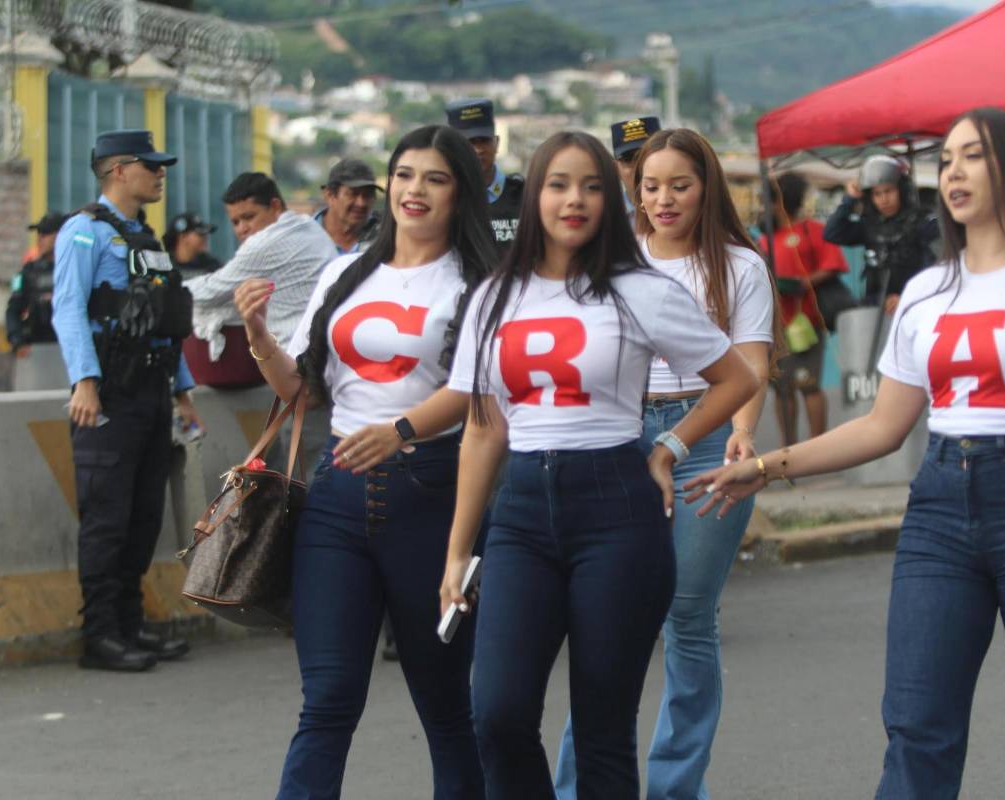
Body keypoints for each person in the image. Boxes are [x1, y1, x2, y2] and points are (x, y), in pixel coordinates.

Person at [690, 107, 1005, 800]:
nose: (955, 170)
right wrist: (766, 467)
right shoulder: (927, 293)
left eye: (975, 155)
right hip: (939, 512)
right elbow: (882, 426)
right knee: (917, 727)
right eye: (950, 158)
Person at [440, 131, 758, 798]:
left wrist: (669, 447)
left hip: (617, 505)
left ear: (609, 200)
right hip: (523, 510)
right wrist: (457, 553)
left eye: (591, 185)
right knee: (497, 713)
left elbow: (735, 378)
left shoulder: (640, 289)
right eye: (558, 184)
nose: (575, 199)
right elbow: (482, 431)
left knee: (602, 728)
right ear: (536, 196)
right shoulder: (494, 296)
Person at [234, 125, 494, 799]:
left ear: (459, 192)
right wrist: (260, 337)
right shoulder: (345, 274)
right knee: (326, 703)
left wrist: (402, 429)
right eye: (404, 175)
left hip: (434, 499)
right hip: (337, 502)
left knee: (445, 710)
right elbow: (302, 389)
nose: (414, 190)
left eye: (434, 178)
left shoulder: (482, 283)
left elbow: (480, 393)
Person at [549, 126, 777, 800]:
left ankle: (677, 786)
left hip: (704, 438)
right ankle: (580, 786)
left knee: (687, 614)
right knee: (605, 619)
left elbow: (752, 362)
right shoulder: (611, 263)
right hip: (619, 440)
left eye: (680, 184)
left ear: (707, 186)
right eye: (651, 186)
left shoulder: (740, 265)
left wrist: (742, 434)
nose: (664, 199)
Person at [51, 129, 203, 672]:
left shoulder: (148, 239)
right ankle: (101, 636)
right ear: (119, 170)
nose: (161, 173)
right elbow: (68, 309)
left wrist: (183, 391)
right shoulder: (83, 233)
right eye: (150, 165)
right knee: (107, 519)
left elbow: (164, 327)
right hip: (110, 393)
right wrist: (84, 382)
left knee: (143, 517)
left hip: (151, 392)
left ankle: (130, 624)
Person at [186, 172, 337, 356]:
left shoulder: (264, 243)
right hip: (331, 349)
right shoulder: (308, 225)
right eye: (235, 222)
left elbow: (208, 293)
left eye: (249, 217)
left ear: (275, 206)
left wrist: (164, 285)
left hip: (300, 360)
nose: (242, 228)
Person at [761, 172, 850, 445]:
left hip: (807, 321)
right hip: (775, 324)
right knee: (781, 388)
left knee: (808, 384)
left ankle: (817, 446)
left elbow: (833, 265)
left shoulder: (814, 230)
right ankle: (788, 448)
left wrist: (802, 282)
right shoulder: (766, 236)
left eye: (772, 199)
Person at [824, 154, 938, 314]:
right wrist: (849, 199)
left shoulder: (923, 222)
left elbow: (936, 268)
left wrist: (908, 297)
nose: (884, 199)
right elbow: (832, 233)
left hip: (916, 305)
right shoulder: (869, 225)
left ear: (902, 190)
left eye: (889, 191)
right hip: (876, 308)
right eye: (877, 194)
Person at [446, 98, 524, 250]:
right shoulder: (444, 200)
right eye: (469, 142)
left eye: (484, 140)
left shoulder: (525, 197)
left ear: (496, 143)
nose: (478, 149)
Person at [6, 211, 66, 350]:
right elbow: (13, 310)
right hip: (37, 347)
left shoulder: (74, 270)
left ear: (60, 236)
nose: (39, 239)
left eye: (45, 234)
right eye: (38, 234)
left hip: (66, 347)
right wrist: (16, 338)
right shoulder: (28, 272)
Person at [314, 157, 383, 255]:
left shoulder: (385, 239)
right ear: (330, 196)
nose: (361, 203)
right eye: (353, 194)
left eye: (368, 195)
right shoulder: (303, 236)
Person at [609, 116, 661, 214]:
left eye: (647, 155)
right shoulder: (608, 218)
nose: (639, 166)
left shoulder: (686, 211)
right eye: (629, 158)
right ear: (616, 168)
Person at [162, 212, 222, 282]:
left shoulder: (212, 265)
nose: (205, 238)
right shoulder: (163, 266)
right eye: (200, 234)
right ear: (183, 237)